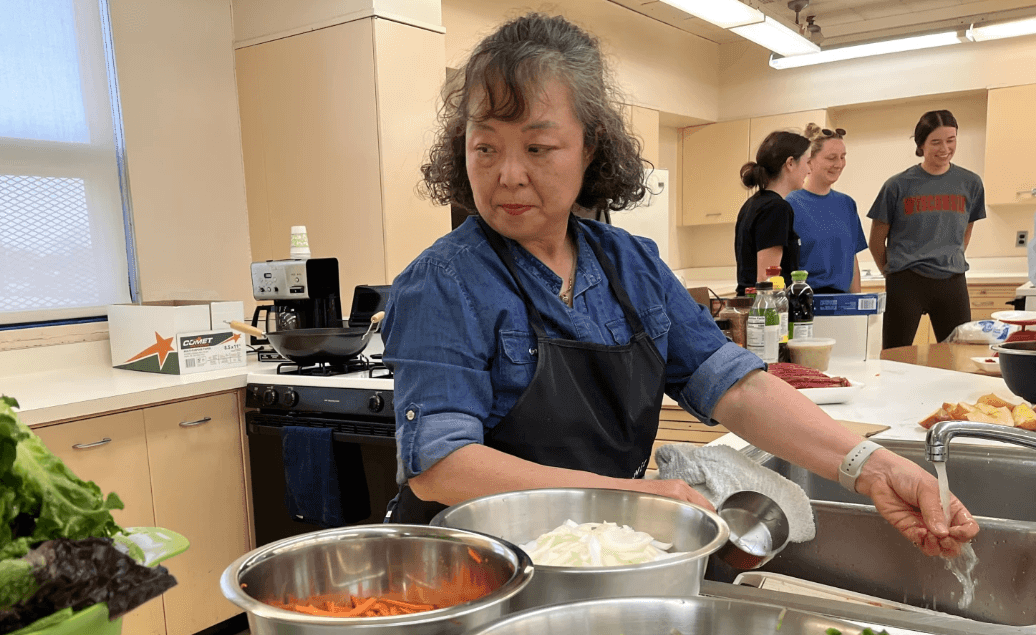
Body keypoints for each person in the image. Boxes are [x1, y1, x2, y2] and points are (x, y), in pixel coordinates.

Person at [382, 13, 976, 557]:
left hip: (598, 552)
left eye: (538, 147)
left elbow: (734, 388)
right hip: (476, 568)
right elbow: (443, 464)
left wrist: (869, 465)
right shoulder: (443, 282)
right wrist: (624, 496)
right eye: (484, 147)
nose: (507, 174)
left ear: (590, 147)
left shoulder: (631, 265)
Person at [867, 110, 986, 349]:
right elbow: (876, 241)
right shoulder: (897, 186)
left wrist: (949, 256)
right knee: (895, 356)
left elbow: (966, 231)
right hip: (906, 281)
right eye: (936, 142)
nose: (945, 148)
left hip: (952, 281)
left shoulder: (970, 183)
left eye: (951, 140)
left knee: (959, 356)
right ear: (921, 144)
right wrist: (893, 274)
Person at [786, 124, 867, 293]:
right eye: (831, 158)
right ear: (809, 161)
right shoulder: (790, 204)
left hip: (842, 302)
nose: (839, 164)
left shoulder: (847, 204)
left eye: (843, 157)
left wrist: (856, 306)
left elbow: (852, 261)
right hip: (806, 301)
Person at [733, 131, 810, 296]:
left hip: (751, 305)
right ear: (790, 163)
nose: (809, 170)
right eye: (807, 162)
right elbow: (767, 279)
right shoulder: (776, 208)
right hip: (765, 311)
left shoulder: (753, 204)